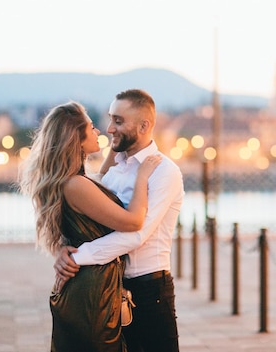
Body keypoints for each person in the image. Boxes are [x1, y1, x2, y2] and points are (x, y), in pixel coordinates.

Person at [18, 101, 162, 352]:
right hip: (93, 295)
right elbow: (133, 222)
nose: (101, 131)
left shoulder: (75, 181)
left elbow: (102, 179)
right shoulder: (76, 185)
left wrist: (120, 140)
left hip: (88, 288)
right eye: (92, 127)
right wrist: (142, 176)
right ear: (77, 137)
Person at [54, 89, 185, 352]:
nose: (109, 128)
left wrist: (78, 257)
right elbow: (92, 221)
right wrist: (64, 249)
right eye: (110, 119)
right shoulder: (114, 172)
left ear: (144, 126)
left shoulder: (164, 171)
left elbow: (137, 234)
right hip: (112, 288)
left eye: (118, 121)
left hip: (150, 291)